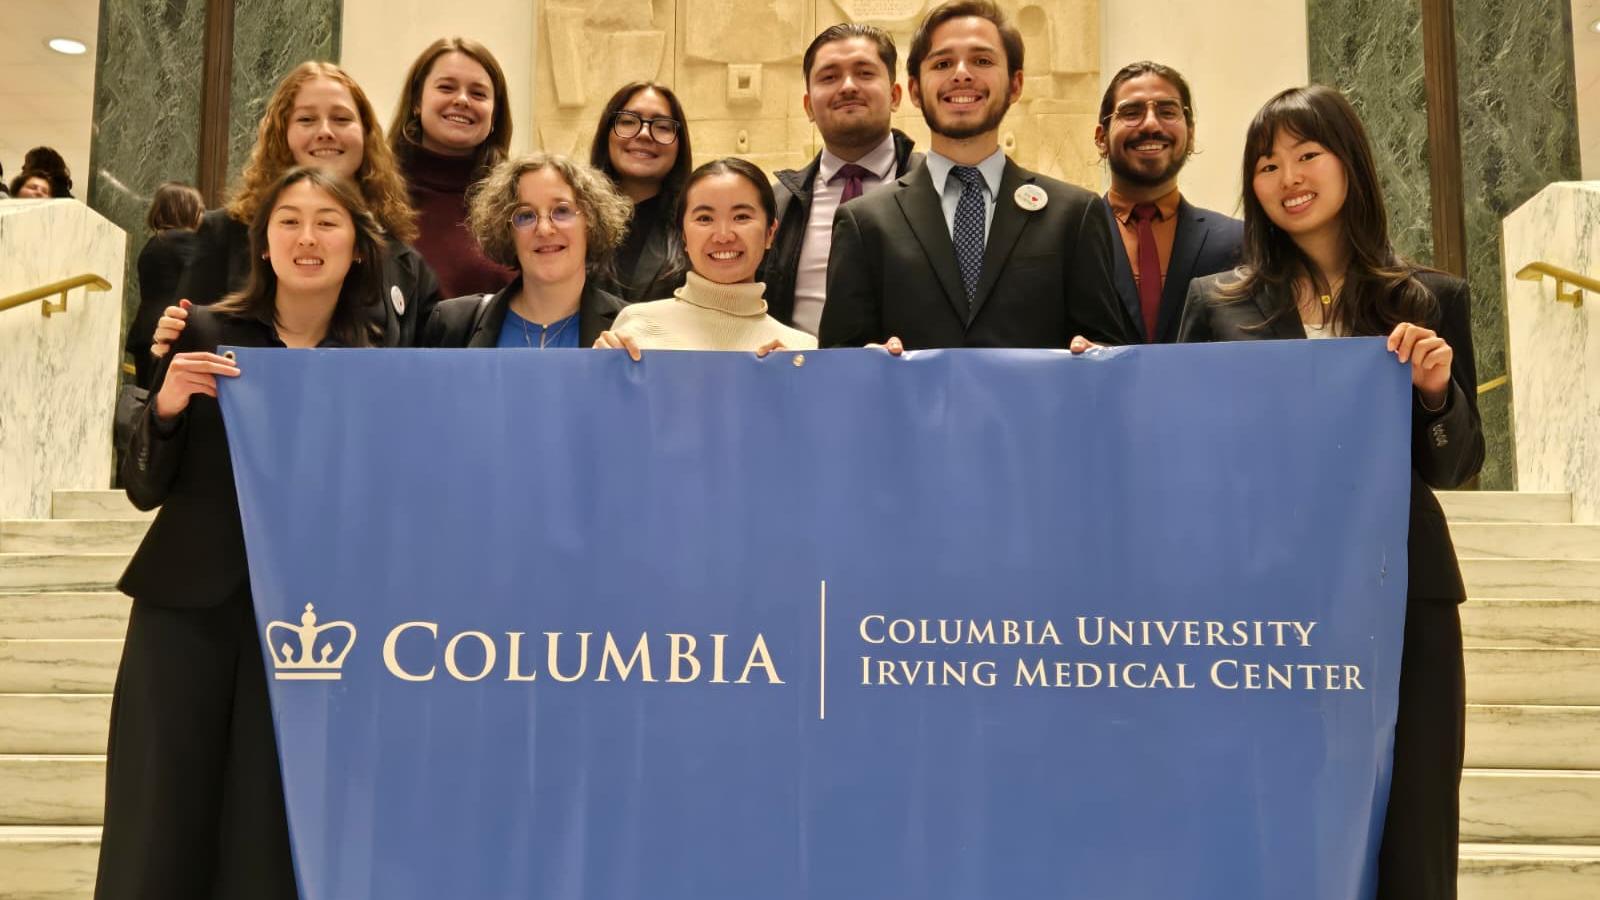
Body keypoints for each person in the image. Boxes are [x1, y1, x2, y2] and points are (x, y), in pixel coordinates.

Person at [1177, 84, 1483, 900]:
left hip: (1403, 592)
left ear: (1349, 161)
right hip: (1259, 597)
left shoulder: (1431, 298)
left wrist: (1432, 393)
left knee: (1413, 813)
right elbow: (1180, 447)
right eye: (1268, 164)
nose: (1288, 177)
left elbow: (1456, 465)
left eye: (1307, 154)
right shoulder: (1218, 306)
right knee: (1271, 807)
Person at [99, 166, 390, 900]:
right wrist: (162, 407)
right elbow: (142, 489)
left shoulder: (377, 362)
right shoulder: (203, 330)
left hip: (307, 620)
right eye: (288, 220)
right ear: (262, 244)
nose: (307, 237)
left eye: (329, 221)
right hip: (187, 609)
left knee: (268, 817)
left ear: (357, 247)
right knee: (162, 809)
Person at [820, 0, 1132, 351]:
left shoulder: (1074, 214)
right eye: (942, 63)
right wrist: (862, 362)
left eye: (982, 61)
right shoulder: (864, 222)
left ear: (1015, 85)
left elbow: (1108, 348)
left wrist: (1097, 356)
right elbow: (837, 361)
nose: (962, 74)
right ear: (914, 91)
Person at [158, 61, 437, 352]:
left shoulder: (405, 265)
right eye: (306, 120)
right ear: (283, 134)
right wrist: (166, 345)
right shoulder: (220, 235)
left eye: (342, 119)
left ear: (366, 133)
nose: (326, 131)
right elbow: (180, 353)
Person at [759, 23, 923, 335]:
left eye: (864, 73)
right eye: (829, 77)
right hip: (799, 377)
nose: (847, 86)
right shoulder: (776, 204)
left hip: (908, 378)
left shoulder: (938, 190)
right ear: (808, 106)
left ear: (894, 95)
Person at [594, 157, 816, 353]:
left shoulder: (798, 348)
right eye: (704, 219)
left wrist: (791, 385)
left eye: (741, 217)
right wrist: (600, 372)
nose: (723, 236)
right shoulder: (636, 327)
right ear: (684, 236)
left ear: (770, 232)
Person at [1094, 61, 1241, 343]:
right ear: (1101, 138)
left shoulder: (1238, 243)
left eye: (1167, 111)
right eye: (1132, 112)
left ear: (1191, 133)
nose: (1151, 124)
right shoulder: (1068, 241)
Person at [422, 153, 629, 348]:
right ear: (507, 231)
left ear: (591, 223)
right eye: (526, 216)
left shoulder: (629, 327)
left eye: (562, 211)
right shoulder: (452, 325)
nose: (544, 229)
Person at [388, 37, 517, 298]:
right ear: (417, 102)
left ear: (495, 114)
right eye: (446, 88)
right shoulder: (375, 191)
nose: (462, 100)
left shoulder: (518, 202)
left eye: (478, 93)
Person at [588, 81, 693, 303]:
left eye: (662, 126)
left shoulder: (696, 226)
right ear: (607, 134)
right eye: (628, 121)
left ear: (679, 145)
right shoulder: (575, 219)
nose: (644, 134)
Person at [127, 182, 205, 387]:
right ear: (187, 209)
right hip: (171, 336)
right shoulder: (188, 242)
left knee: (147, 400)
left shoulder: (154, 244)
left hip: (146, 334)